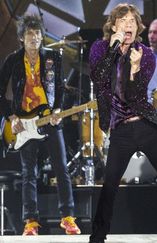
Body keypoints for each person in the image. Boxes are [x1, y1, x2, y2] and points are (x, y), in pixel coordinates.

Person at [88, 4, 157, 243]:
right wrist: (112, 49)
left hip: (146, 126)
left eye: (132, 21)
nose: (128, 24)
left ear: (138, 27)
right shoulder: (99, 48)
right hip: (120, 130)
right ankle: (97, 238)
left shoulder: (145, 54)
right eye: (123, 20)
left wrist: (135, 70)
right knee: (109, 188)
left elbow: (135, 96)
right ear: (114, 25)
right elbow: (99, 80)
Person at [0, 15, 81, 235]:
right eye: (29, 33)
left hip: (49, 120)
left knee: (62, 170)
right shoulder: (12, 60)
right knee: (29, 173)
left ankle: (68, 218)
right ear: (21, 38)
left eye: (37, 33)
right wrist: (11, 117)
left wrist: (57, 110)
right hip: (24, 123)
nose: (34, 37)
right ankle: (30, 222)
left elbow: (61, 89)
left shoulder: (52, 57)